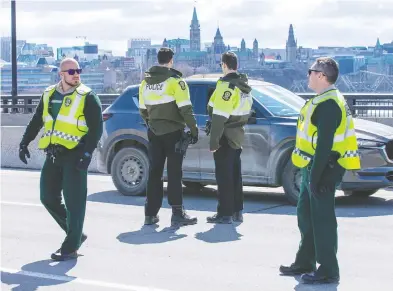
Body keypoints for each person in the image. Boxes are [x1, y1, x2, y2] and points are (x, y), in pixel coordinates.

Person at [280, 57, 360, 284]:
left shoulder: (329, 104)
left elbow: (325, 145)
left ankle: (328, 269)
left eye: (311, 71)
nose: (308, 75)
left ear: (321, 76)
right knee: (306, 215)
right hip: (314, 166)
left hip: (325, 167)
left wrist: (315, 178)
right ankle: (305, 261)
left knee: (322, 219)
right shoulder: (322, 99)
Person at [18, 58, 103, 261]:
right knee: (47, 197)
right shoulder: (49, 94)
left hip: (76, 155)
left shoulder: (87, 96)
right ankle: (76, 234)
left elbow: (96, 129)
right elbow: (37, 119)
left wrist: (87, 154)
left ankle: (70, 247)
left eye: (78, 71)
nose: (76, 74)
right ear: (61, 74)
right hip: (53, 154)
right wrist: (24, 142)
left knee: (75, 203)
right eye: (71, 71)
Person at [139, 47, 199, 226]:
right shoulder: (176, 82)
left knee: (154, 173)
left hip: (154, 133)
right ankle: (177, 213)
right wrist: (193, 129)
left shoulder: (145, 83)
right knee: (174, 173)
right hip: (173, 133)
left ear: (158, 60)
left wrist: (153, 125)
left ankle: (150, 214)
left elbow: (143, 110)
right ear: (171, 60)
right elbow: (186, 109)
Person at [206, 51, 253, 224]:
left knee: (224, 176)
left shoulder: (227, 87)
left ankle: (224, 213)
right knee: (235, 175)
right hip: (237, 135)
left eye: (221, 65)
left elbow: (219, 117)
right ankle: (237, 211)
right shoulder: (244, 87)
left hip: (224, 136)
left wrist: (214, 142)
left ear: (225, 65)